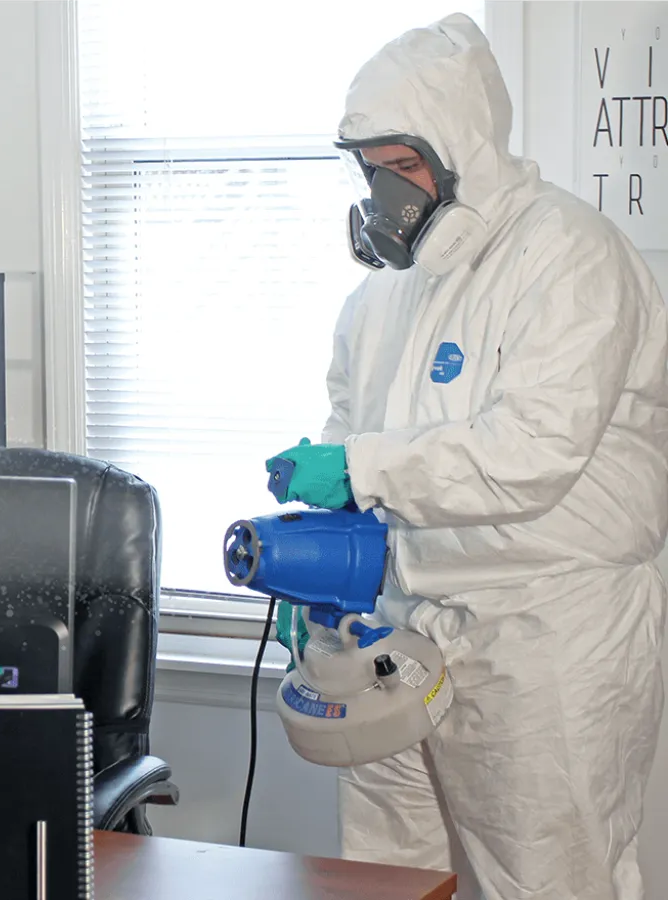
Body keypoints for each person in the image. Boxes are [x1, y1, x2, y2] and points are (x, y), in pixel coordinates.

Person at [267, 13, 668, 900]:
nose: (384, 192)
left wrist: (362, 470)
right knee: (385, 875)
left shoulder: (568, 257)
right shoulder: (379, 299)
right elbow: (346, 439)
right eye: (369, 168)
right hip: (399, 629)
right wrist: (327, 580)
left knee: (548, 880)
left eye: (403, 165)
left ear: (465, 150)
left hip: (546, 634)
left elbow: (532, 454)